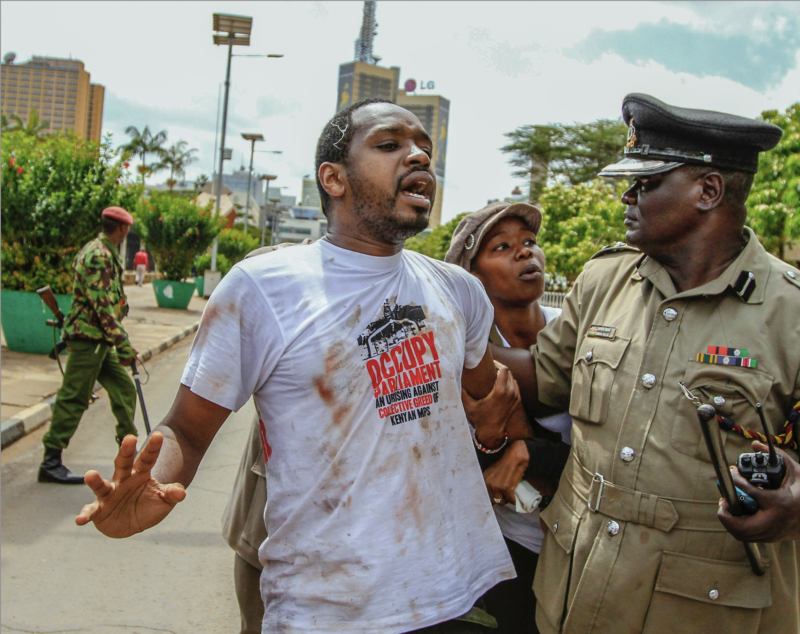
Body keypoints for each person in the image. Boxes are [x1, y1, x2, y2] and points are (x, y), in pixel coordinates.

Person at [76, 99, 517, 633]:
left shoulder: (459, 291)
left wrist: (496, 434)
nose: (419, 155)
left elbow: (489, 401)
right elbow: (187, 431)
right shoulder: (264, 288)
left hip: (451, 595)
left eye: (424, 146)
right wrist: (151, 487)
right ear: (333, 178)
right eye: (389, 144)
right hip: (326, 608)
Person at [491, 93, 800, 634]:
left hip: (705, 608)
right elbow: (543, 378)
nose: (627, 196)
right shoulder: (605, 282)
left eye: (645, 184)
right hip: (576, 591)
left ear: (708, 191)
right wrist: (445, 335)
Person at [444, 202, 573, 634]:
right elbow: (459, 463)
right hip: (511, 548)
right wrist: (496, 440)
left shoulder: (581, 334)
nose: (525, 253)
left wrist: (529, 451)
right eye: (503, 247)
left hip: (584, 548)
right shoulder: (459, 360)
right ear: (472, 278)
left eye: (530, 242)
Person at [39, 206, 138, 484]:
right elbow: (103, 305)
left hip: (99, 339)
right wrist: (123, 344)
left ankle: (128, 452)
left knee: (124, 390)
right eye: (126, 228)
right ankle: (50, 462)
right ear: (121, 229)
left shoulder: (102, 251)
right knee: (74, 397)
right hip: (88, 339)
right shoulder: (98, 255)